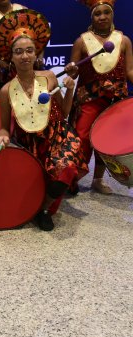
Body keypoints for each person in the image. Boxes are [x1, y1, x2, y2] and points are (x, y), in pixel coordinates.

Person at [0, 9, 88, 231]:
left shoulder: (48, 77)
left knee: (66, 168)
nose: (25, 56)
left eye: (29, 51)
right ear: (11, 56)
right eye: (19, 52)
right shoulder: (6, 91)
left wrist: (71, 91)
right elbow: (3, 128)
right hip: (30, 146)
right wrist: (2, 137)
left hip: (58, 138)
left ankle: (43, 210)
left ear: (37, 54)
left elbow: (63, 113)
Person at [67, 0, 133, 194]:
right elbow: (74, 72)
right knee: (82, 138)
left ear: (112, 14)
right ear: (92, 17)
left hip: (116, 100)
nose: (102, 17)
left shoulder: (124, 40)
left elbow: (129, 71)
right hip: (89, 99)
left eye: (106, 12)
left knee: (106, 140)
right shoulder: (81, 41)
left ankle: (98, 179)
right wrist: (71, 70)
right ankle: (72, 178)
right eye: (98, 14)